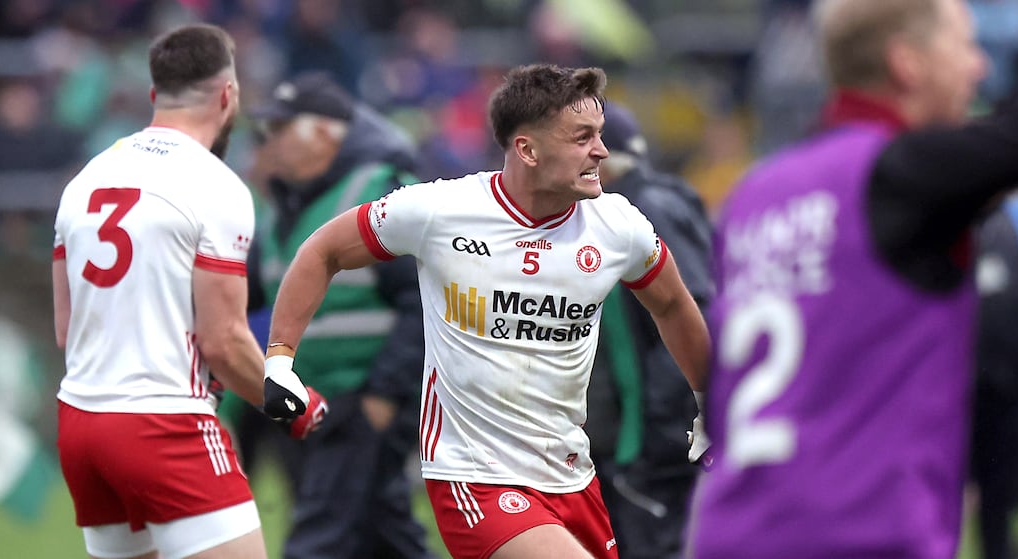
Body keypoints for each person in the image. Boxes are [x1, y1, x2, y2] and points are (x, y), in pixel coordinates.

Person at [263, 63, 711, 559]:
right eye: (582, 137)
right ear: (528, 150)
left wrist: (708, 401)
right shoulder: (439, 210)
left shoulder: (619, 225)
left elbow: (674, 303)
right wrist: (280, 359)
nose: (601, 151)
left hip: (571, 476)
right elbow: (322, 250)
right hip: (473, 477)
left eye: (600, 134)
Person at [686, 0, 1018, 557]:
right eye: (964, 44)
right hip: (856, 536)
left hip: (732, 534)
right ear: (907, 62)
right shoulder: (903, 176)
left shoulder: (755, 192)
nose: (979, 66)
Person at [51, 24, 326, 559]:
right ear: (228, 96)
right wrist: (296, 405)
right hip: (164, 423)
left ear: (155, 94)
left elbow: (68, 330)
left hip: (81, 426)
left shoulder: (85, 178)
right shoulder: (216, 184)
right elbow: (224, 342)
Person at [242, 71, 437, 559]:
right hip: (314, 405)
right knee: (384, 535)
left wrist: (384, 395)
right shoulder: (283, 210)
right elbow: (245, 293)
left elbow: (425, 302)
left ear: (326, 132)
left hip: (360, 402)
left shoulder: (381, 195)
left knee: (318, 539)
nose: (270, 141)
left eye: (282, 128)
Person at [584, 101, 713, 559]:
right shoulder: (617, 213)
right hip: (634, 442)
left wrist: (661, 436)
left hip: (653, 448)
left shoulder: (646, 212)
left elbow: (693, 315)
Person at [970, 194, 1018, 559]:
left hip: (1009, 385)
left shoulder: (1009, 224)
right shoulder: (974, 227)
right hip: (970, 388)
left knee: (999, 485)